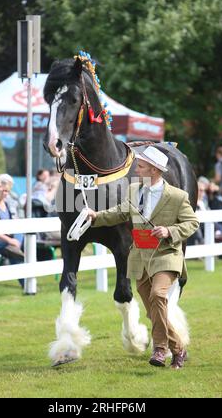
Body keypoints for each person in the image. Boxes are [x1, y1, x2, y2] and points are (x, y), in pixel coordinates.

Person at [87, 146, 199, 370]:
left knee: (159, 295)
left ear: (155, 170)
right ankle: (178, 350)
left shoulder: (177, 196)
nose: (136, 170)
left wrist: (170, 232)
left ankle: (159, 349)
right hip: (140, 256)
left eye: (141, 166)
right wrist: (96, 216)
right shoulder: (133, 191)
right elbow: (119, 212)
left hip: (166, 254)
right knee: (153, 311)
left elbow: (192, 223)